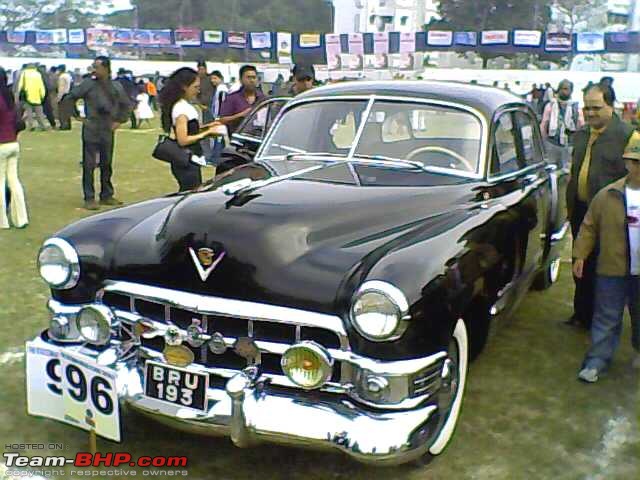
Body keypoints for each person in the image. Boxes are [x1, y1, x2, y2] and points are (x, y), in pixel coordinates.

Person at [566, 84, 635, 329]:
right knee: (580, 262)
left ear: (611, 106)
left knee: (604, 269)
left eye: (596, 107)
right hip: (580, 211)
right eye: (586, 107)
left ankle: (602, 320)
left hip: (611, 218)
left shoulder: (627, 136)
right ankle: (582, 313)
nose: (590, 113)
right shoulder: (582, 134)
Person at [573, 131, 640, 382]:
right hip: (611, 269)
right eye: (637, 163)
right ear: (627, 163)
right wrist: (580, 255)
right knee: (606, 316)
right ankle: (597, 360)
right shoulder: (608, 195)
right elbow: (589, 226)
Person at [63, 56, 132, 210]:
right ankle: (89, 197)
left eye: (97, 67)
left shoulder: (116, 86)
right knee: (89, 164)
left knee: (107, 163)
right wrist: (77, 116)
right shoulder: (88, 84)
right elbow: (70, 97)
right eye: (93, 66)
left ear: (106, 69)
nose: (94, 70)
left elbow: (126, 104)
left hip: (107, 128)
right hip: (91, 127)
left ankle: (106, 195)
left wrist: (119, 120)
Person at [158, 67, 221, 191]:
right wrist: (207, 133)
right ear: (184, 87)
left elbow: (190, 129)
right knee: (190, 191)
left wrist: (207, 127)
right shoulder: (181, 109)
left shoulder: (185, 106)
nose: (198, 91)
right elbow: (183, 139)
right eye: (195, 87)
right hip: (185, 160)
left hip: (191, 158)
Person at [0, 67, 28, 229]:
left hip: (1, 144)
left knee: (0, 182)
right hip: (13, 143)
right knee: (14, 181)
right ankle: (21, 218)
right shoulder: (9, 96)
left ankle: (2, 221)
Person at [540, 79, 584, 168]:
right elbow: (544, 124)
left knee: (568, 169)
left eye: (567, 89)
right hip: (552, 143)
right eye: (563, 89)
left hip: (569, 144)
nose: (564, 91)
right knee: (551, 168)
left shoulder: (575, 108)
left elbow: (580, 124)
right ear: (559, 90)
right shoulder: (550, 106)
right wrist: (543, 142)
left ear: (571, 91)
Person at [219, 65, 264, 134]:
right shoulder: (232, 98)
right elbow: (222, 120)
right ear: (240, 80)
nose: (251, 80)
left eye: (254, 77)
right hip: (238, 140)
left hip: (259, 139)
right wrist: (241, 115)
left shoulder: (263, 98)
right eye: (248, 77)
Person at [17, 63, 48, 131]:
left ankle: (31, 126)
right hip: (37, 96)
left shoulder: (24, 73)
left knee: (29, 112)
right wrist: (42, 95)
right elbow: (41, 86)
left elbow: (20, 85)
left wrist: (18, 93)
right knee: (39, 113)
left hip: (27, 95)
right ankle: (43, 125)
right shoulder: (38, 74)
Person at [56, 65, 73, 130]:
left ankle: (63, 126)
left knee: (62, 112)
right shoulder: (68, 76)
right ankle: (68, 125)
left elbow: (61, 88)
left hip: (63, 95)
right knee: (67, 112)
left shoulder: (62, 77)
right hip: (69, 94)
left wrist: (58, 98)